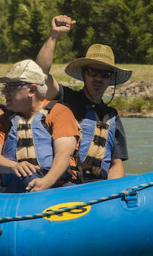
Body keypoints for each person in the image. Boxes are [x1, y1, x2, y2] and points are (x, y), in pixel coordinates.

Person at [35, 15, 132, 181]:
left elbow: (116, 164)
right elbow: (40, 76)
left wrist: (114, 193)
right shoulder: (67, 99)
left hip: (97, 190)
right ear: (83, 74)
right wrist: (54, 35)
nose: (98, 79)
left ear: (110, 79)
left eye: (105, 74)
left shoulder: (112, 116)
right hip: (66, 184)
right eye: (93, 72)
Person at [0, 60, 81, 192]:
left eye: (11, 86)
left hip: (58, 187)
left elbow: (64, 153)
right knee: (24, 174)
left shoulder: (59, 113)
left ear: (32, 90)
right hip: (18, 183)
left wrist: (46, 182)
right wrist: (14, 166)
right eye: (5, 86)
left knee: (29, 176)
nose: (4, 91)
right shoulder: (3, 120)